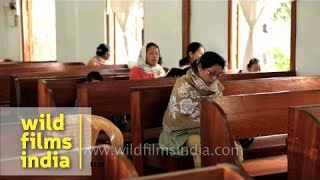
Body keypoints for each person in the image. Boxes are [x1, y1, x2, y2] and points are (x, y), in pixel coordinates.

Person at [159, 51, 243, 168]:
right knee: (202, 148)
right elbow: (179, 114)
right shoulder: (184, 83)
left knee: (232, 147)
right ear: (200, 68)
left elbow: (219, 109)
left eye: (218, 75)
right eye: (211, 73)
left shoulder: (215, 86)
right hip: (182, 132)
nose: (214, 79)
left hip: (208, 130)